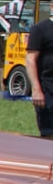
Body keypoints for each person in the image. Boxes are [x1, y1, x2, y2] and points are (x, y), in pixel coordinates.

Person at [25, 7, 53, 138]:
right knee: (49, 135)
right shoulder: (40, 29)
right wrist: (36, 90)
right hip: (48, 90)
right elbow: (30, 59)